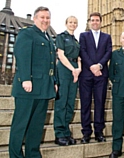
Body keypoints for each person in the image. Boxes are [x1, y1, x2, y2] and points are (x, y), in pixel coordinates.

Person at [9, 6, 57, 158]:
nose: (45, 20)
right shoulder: (27, 33)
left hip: (43, 89)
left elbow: (50, 63)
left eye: (47, 18)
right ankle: (15, 155)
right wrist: (25, 79)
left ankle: (33, 154)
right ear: (35, 18)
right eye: (42, 17)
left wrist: (54, 81)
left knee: (36, 127)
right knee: (20, 125)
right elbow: (22, 56)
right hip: (28, 88)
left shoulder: (48, 38)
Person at [79, 12, 112, 143]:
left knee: (100, 103)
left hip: (101, 74)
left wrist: (99, 65)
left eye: (97, 20)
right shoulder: (83, 35)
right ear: (89, 22)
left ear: (100, 22)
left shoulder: (107, 37)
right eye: (92, 20)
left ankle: (99, 131)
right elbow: (82, 51)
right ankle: (86, 132)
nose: (95, 22)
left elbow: (108, 52)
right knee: (85, 104)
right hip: (86, 75)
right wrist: (92, 66)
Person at [53, 16, 81, 146]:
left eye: (75, 22)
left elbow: (79, 57)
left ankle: (66, 132)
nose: (73, 24)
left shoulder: (76, 40)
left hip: (74, 70)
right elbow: (61, 55)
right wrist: (72, 69)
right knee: (62, 102)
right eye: (70, 22)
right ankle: (59, 134)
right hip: (64, 69)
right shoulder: (61, 36)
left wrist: (78, 69)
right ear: (66, 24)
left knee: (70, 103)